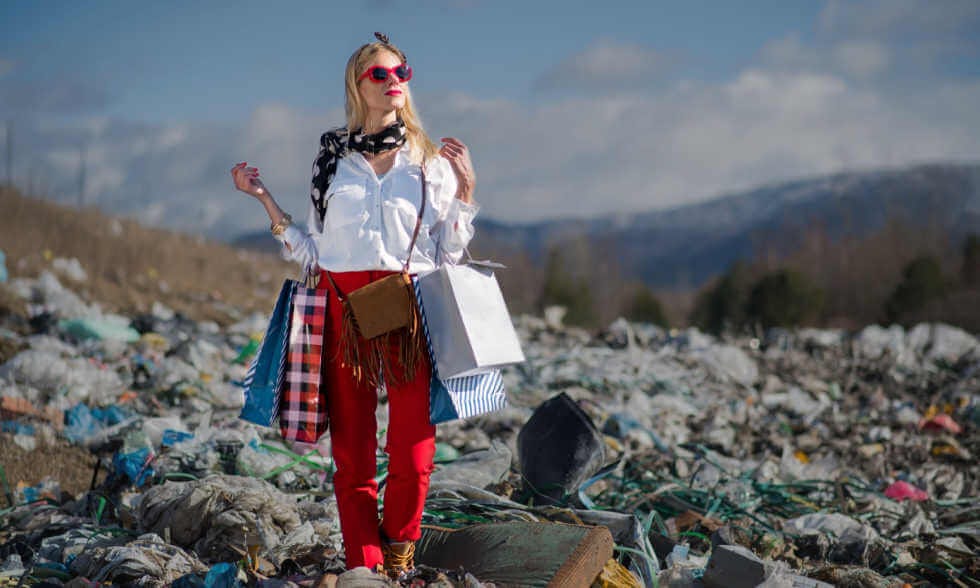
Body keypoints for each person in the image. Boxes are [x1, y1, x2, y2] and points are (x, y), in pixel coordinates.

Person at [230, 32, 479, 578]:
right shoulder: (331, 160)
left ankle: (399, 547)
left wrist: (464, 192)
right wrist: (265, 201)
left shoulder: (429, 162)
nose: (395, 83)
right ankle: (364, 564)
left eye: (402, 73)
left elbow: (449, 252)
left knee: (413, 449)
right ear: (358, 85)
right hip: (341, 306)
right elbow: (316, 249)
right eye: (381, 75)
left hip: (407, 310)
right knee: (352, 454)